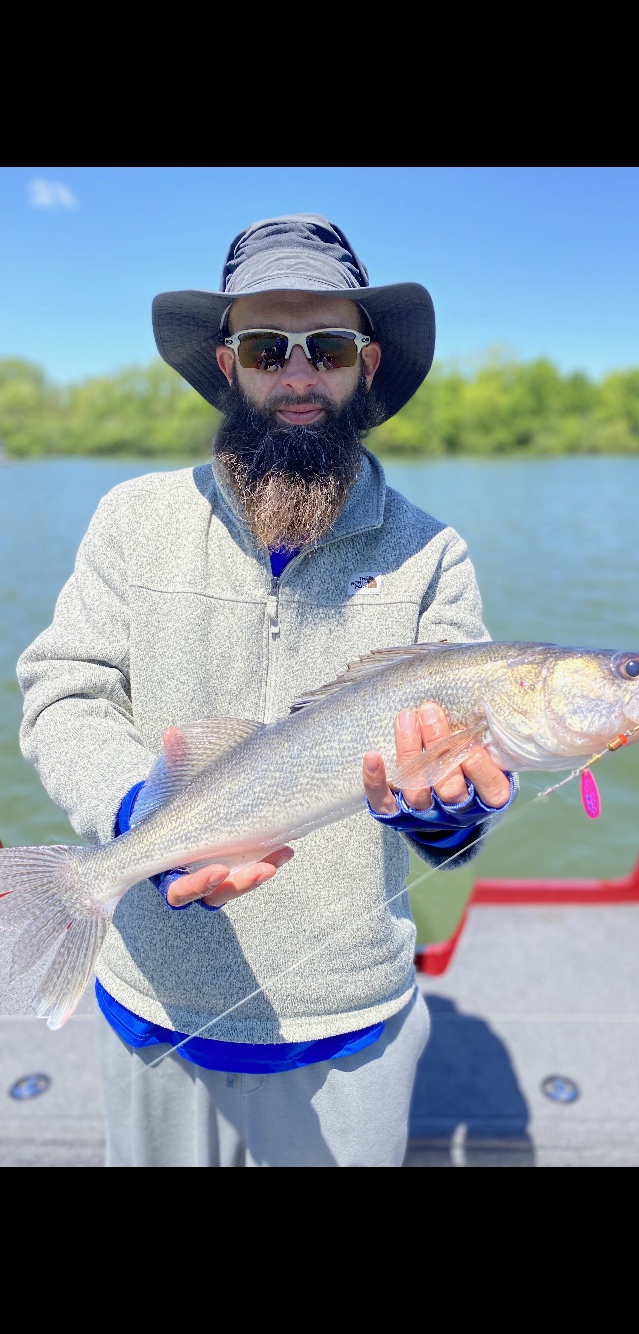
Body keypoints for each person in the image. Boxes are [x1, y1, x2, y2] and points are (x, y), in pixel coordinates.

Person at [18, 214, 516, 1167]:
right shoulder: (131, 519)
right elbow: (62, 693)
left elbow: (460, 816)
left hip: (351, 1012)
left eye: (326, 347)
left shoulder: (434, 553)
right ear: (226, 363)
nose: (298, 376)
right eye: (265, 347)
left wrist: (444, 816)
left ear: (366, 366)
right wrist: (141, 818)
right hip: (148, 996)